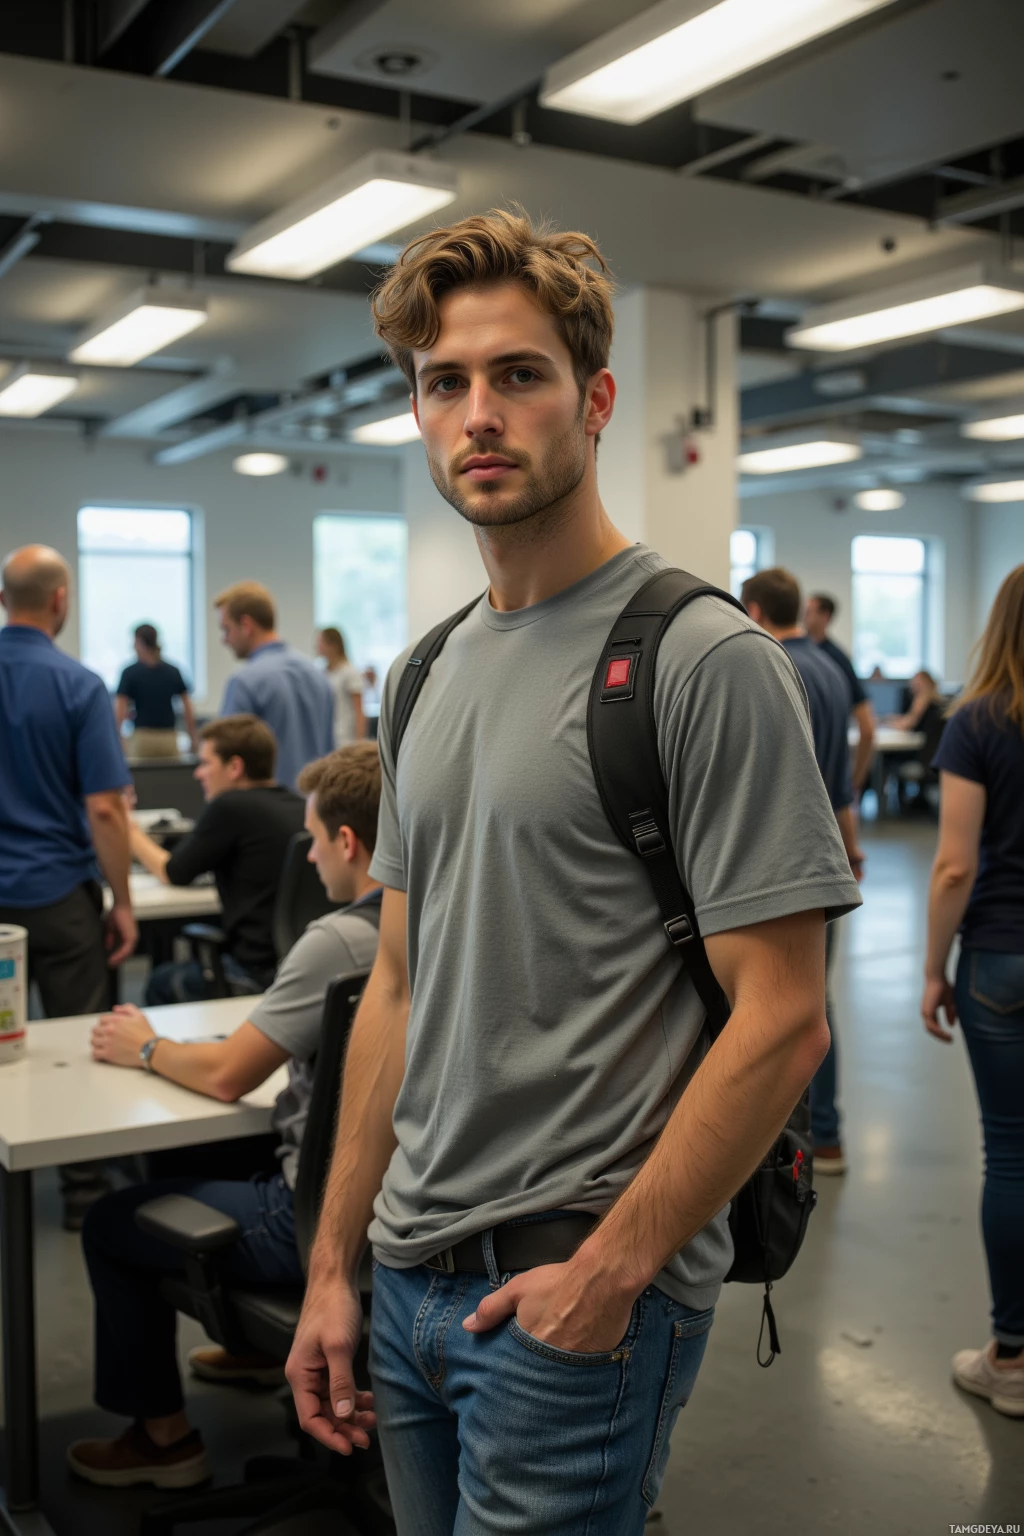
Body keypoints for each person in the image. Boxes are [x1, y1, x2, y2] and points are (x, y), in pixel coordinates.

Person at [285, 208, 861, 1536]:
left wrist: (616, 1273)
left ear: (596, 400)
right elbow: (396, 986)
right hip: (406, 1282)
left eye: (519, 374)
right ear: (419, 414)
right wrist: (334, 1264)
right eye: (446, 384)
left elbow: (785, 1016)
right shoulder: (422, 673)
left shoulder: (704, 660)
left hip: (568, 1299)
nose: (479, 412)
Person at [66, 744, 384, 1488]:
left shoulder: (340, 940)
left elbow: (226, 1073)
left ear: (347, 842)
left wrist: (146, 1047)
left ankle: (164, 1443)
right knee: (185, 1167)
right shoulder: (443, 926)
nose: (307, 858)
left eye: (313, 840)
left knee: (115, 1223)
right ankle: (252, 1352)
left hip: (317, 1220)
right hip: (407, 1213)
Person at [0, 545, 138, 1230]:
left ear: (4, 599)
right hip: (56, 894)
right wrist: (124, 901)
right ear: (59, 600)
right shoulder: (78, 685)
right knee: (76, 1033)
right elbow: (107, 809)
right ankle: (83, 1191)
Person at [921, 564, 1024, 1418]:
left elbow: (955, 863)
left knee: (1014, 1156)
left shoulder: (979, 722)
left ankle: (1014, 1357)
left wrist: (930, 967)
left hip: (1002, 960)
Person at [744, 568, 865, 1175]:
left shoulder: (764, 666)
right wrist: (852, 847)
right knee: (814, 1004)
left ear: (756, 610)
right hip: (828, 859)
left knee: (774, 1008)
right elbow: (839, 782)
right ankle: (830, 1136)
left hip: (773, 868)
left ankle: (785, 1146)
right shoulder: (832, 671)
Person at [129, 715, 304, 1003]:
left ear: (235, 767)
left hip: (252, 973)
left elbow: (174, 871)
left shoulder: (230, 806)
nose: (198, 774)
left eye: (206, 763)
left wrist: (128, 829)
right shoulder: (298, 805)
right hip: (295, 969)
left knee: (161, 982)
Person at [216, 582, 333, 791]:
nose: (224, 640)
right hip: (312, 809)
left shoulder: (244, 682)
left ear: (246, 625)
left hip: (262, 812)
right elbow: (329, 751)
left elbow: (227, 764)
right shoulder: (318, 676)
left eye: (226, 629)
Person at [804, 592, 876, 794]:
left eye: (809, 612)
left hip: (827, 772)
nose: (804, 617)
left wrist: (855, 782)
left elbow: (867, 727)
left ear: (825, 616)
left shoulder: (837, 661)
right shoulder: (799, 651)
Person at [115, 623, 199, 761]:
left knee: (140, 780)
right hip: (168, 738)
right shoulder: (172, 671)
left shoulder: (130, 672)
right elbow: (187, 707)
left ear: (140, 642)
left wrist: (118, 738)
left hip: (142, 738)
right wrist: (193, 737)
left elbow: (120, 709)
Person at [317, 627, 366, 746]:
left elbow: (359, 710)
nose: (317, 646)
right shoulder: (323, 673)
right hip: (327, 738)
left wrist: (359, 743)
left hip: (345, 739)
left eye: (321, 642)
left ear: (333, 645)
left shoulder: (349, 672)